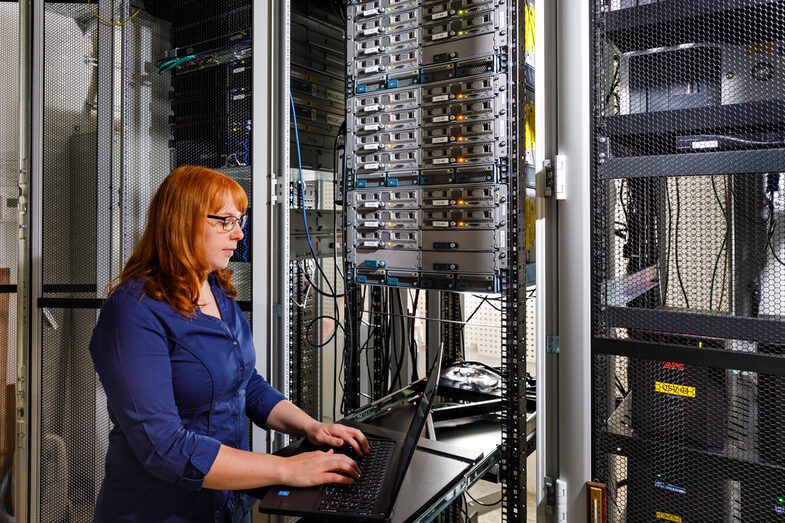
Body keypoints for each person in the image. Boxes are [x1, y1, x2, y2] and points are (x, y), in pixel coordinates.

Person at [88, 165, 368, 523]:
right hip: (159, 511)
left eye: (240, 221)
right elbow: (164, 447)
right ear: (182, 221)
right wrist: (287, 470)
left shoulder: (217, 290)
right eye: (225, 221)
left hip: (228, 506)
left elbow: (246, 384)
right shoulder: (133, 312)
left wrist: (311, 428)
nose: (238, 234)